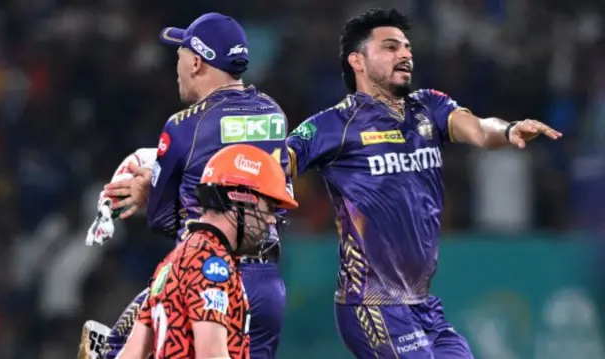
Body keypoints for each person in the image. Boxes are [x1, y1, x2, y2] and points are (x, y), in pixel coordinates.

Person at [284, 8, 562, 358]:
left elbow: (477, 128)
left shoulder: (429, 106)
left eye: (407, 48)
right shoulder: (333, 126)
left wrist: (507, 130)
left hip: (423, 305)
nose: (404, 54)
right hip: (371, 302)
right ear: (357, 60)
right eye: (390, 47)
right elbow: (280, 162)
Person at [81, 12, 294, 359]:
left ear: (196, 62)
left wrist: (148, 191)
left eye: (179, 54)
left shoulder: (184, 126)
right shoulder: (273, 114)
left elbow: (165, 222)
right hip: (266, 282)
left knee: (110, 349)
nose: (175, 65)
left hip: (203, 275)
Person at [114, 144, 298, 359]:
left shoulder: (172, 261)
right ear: (241, 199)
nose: (271, 219)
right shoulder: (212, 265)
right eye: (268, 207)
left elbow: (131, 355)